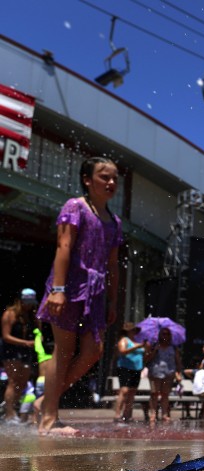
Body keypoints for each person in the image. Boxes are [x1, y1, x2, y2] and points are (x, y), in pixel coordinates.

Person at [36, 156, 122, 436]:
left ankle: (45, 401)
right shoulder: (75, 207)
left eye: (114, 179)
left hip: (95, 294)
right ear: (87, 179)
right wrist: (58, 291)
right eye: (104, 177)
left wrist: (112, 301)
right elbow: (63, 247)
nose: (111, 182)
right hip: (69, 286)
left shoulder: (114, 221)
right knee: (64, 351)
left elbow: (112, 265)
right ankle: (49, 420)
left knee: (93, 352)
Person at [2, 288, 39, 424]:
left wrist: (38, 338)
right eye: (26, 302)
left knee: (23, 382)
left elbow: (38, 332)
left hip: (26, 351)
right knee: (13, 381)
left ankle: (12, 407)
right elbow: (6, 336)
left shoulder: (31, 315)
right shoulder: (9, 314)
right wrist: (25, 343)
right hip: (11, 351)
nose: (29, 305)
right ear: (20, 301)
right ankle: (9, 413)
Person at [145, 327, 183, 426]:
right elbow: (147, 359)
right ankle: (153, 414)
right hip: (155, 373)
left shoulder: (174, 348)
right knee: (154, 394)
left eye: (167, 334)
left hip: (168, 373)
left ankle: (164, 414)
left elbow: (177, 361)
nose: (165, 336)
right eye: (163, 334)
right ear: (160, 335)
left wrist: (179, 373)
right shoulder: (154, 346)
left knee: (165, 394)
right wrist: (154, 351)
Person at [113, 322, 148, 423]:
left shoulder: (137, 341)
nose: (134, 332)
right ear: (127, 331)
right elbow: (123, 351)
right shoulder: (124, 340)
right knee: (124, 390)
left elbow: (144, 357)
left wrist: (147, 349)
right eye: (132, 330)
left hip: (137, 369)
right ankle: (117, 414)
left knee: (132, 392)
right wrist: (137, 347)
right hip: (125, 368)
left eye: (135, 330)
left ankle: (127, 414)